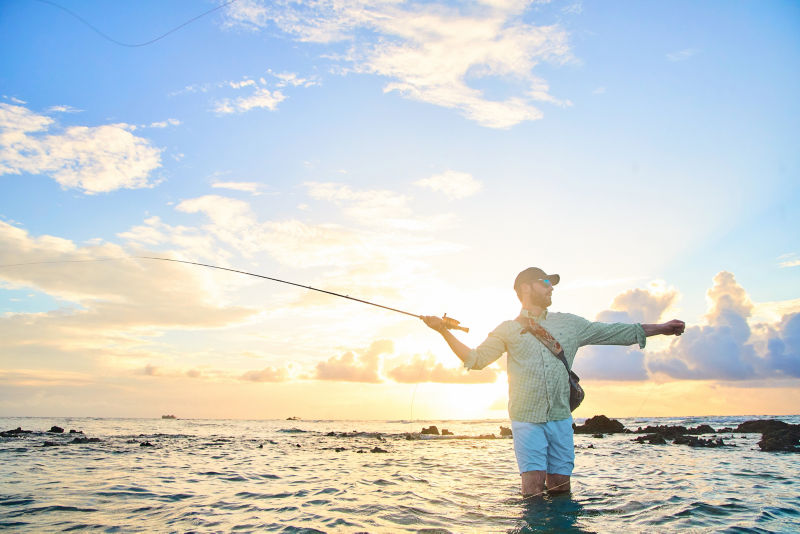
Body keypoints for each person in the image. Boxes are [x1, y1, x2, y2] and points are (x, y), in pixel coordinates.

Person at [421, 267, 685, 498]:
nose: (551, 289)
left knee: (560, 488)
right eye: (545, 283)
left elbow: (614, 331)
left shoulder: (569, 324)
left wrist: (660, 327)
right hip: (527, 418)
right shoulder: (507, 329)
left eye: (552, 285)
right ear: (525, 288)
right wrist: (444, 331)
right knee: (533, 488)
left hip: (560, 417)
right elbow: (476, 359)